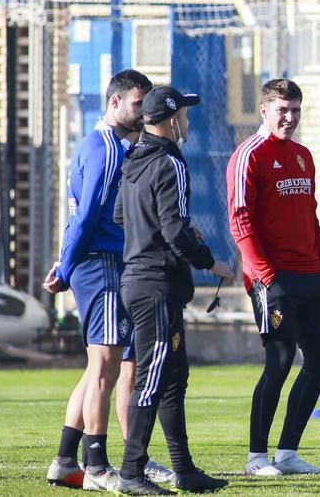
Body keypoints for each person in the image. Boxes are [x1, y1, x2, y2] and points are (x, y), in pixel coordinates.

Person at [44, 70, 175, 490]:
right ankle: (97, 465)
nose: (142, 113)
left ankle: (66, 460)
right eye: (137, 104)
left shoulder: (114, 145)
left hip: (106, 263)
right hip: (100, 264)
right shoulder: (105, 150)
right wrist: (65, 267)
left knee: (99, 368)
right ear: (115, 102)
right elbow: (84, 219)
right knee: (106, 367)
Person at [113, 86, 234, 495]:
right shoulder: (169, 162)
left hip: (137, 280)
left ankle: (183, 470)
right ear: (170, 120)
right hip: (156, 286)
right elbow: (174, 231)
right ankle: (131, 472)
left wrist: (159, 233)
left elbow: (120, 214)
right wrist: (210, 261)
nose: (187, 121)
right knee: (151, 378)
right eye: (183, 114)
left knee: (173, 376)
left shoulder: (133, 158)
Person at [227, 78, 320, 477]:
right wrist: (264, 276)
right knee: (278, 360)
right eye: (283, 111)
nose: (290, 118)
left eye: (295, 110)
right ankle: (256, 457)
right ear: (265, 110)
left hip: (313, 274)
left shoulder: (302, 156)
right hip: (273, 276)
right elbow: (239, 220)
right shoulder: (249, 155)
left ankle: (288, 452)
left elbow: (310, 218)